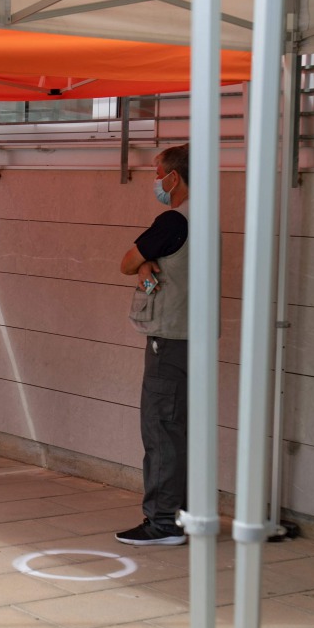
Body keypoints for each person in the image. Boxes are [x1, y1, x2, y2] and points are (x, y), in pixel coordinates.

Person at [115, 144, 191, 546]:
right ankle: (183, 515)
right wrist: (147, 264)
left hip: (170, 339)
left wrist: (142, 264)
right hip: (195, 339)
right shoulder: (206, 218)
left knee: (161, 429)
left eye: (157, 172)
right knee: (182, 430)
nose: (156, 180)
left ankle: (163, 522)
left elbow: (128, 261)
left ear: (174, 177)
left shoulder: (173, 220)